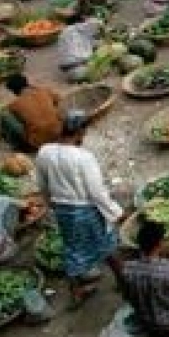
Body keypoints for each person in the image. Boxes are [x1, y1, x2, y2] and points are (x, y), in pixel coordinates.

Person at [36, 123, 122, 304]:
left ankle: (76, 291)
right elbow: (96, 192)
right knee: (107, 244)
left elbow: (42, 183)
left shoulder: (45, 152)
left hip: (63, 210)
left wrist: (51, 203)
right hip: (84, 210)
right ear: (80, 133)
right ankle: (123, 281)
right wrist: (115, 211)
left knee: (73, 249)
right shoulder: (84, 157)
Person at [0, 73, 71, 152]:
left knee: (5, 117)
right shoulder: (44, 91)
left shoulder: (14, 105)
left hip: (38, 142)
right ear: (26, 82)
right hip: (59, 131)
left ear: (13, 91)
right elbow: (59, 100)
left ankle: (17, 146)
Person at [55, 13, 100, 83]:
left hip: (69, 73)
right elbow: (96, 22)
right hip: (83, 71)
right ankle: (92, 77)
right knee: (113, 49)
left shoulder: (63, 34)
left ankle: (81, 76)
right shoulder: (79, 28)